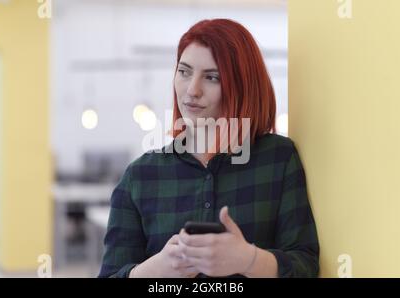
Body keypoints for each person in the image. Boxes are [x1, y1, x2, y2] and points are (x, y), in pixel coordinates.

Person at [98, 19, 319, 278]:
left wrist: (250, 260)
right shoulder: (139, 177)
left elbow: (306, 266)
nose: (192, 90)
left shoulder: (278, 159)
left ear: (242, 85)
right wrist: (152, 271)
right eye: (184, 71)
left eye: (212, 77)